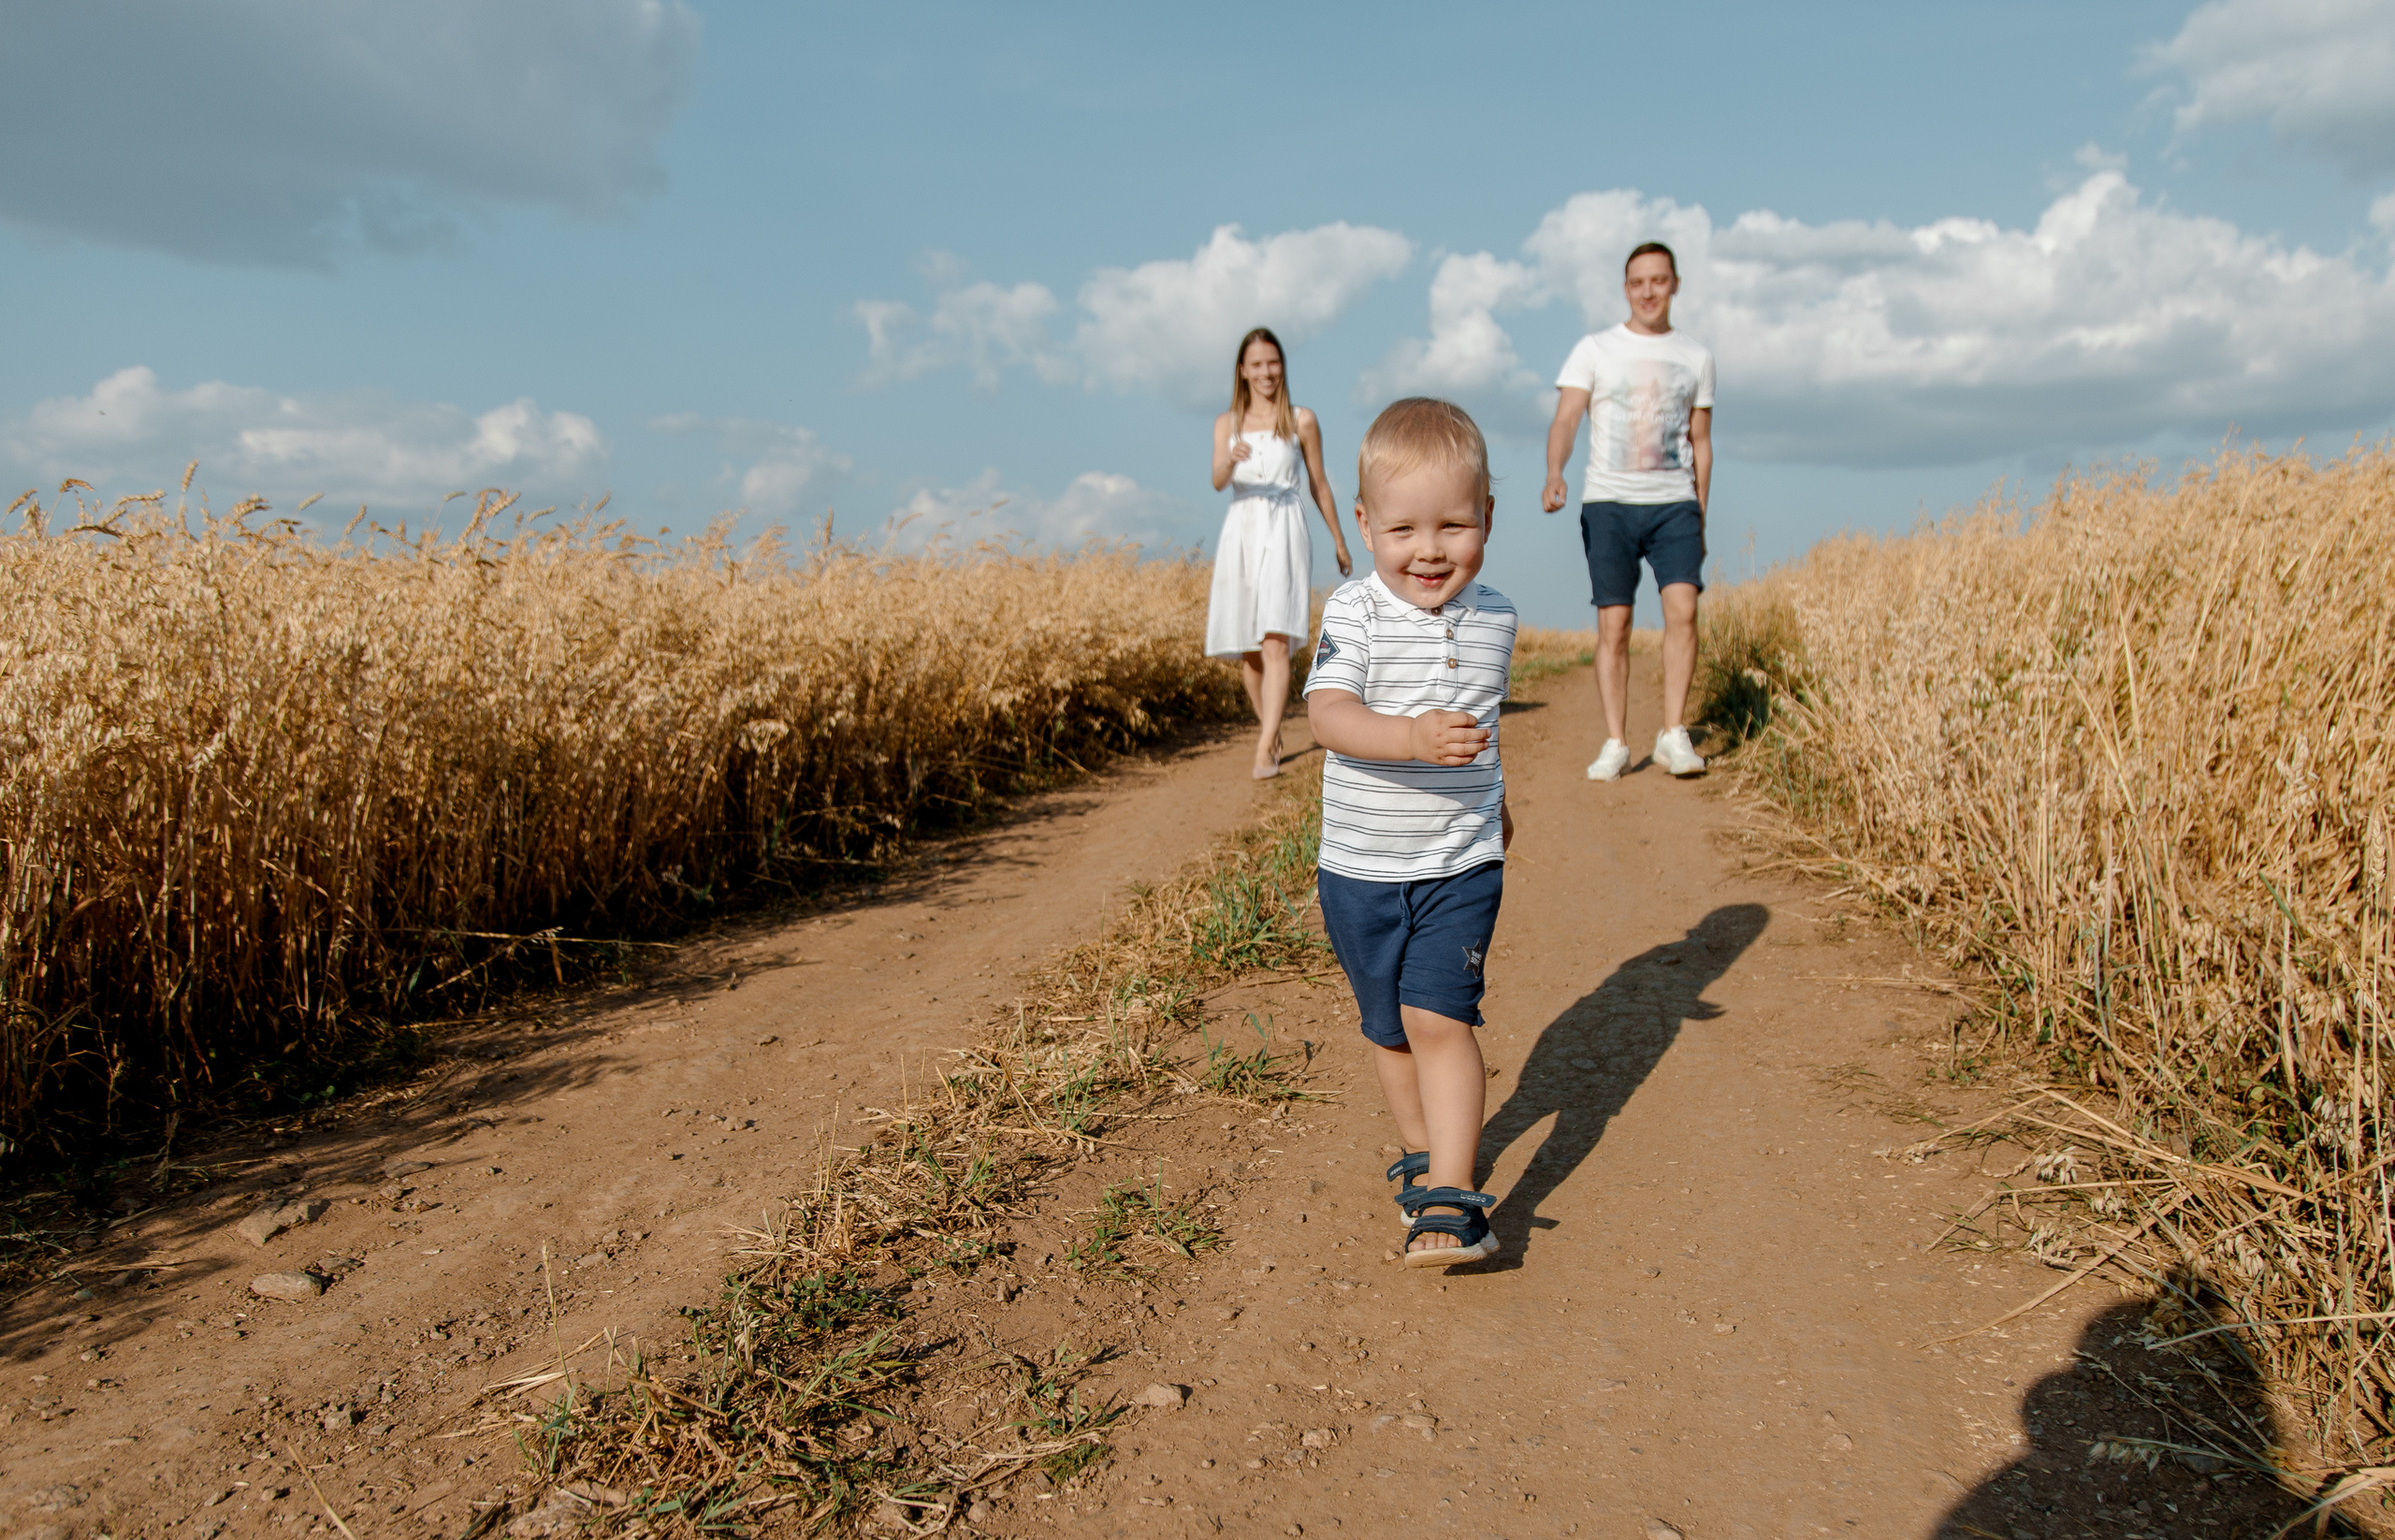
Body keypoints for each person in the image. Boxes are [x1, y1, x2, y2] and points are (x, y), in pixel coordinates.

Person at [1304, 398, 1517, 1266]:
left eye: (1454, 525)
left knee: (1439, 1018)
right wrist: (1407, 740)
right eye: (1403, 529)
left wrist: (1496, 799)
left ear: (1487, 520)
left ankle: (1454, 1198)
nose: (1429, 549)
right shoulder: (1352, 612)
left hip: (1460, 861)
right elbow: (1327, 714)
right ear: (1364, 524)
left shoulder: (1497, 618)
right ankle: (1425, 1152)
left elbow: (1484, 725)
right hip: (1359, 866)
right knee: (1388, 1026)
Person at [1540, 240, 1715, 781]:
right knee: (1614, 626)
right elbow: (1567, 418)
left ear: (1675, 285)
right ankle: (1616, 740)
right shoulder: (1594, 349)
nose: (1648, 291)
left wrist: (1699, 510)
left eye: (1658, 280)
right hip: (1609, 502)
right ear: (1625, 288)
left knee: (1683, 612)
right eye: (1638, 282)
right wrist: (1555, 472)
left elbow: (1701, 440)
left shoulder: (1696, 357)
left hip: (1674, 503)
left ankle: (1673, 733)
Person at [1208, 327, 1353, 779]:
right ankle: (1269, 726)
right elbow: (1216, 480)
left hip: (1286, 526)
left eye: (1273, 362)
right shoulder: (1226, 423)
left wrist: (1339, 538)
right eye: (1257, 364)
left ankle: (1265, 746)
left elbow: (1319, 482)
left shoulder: (1301, 419)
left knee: (1275, 639)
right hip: (1242, 527)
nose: (1266, 371)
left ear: (1281, 365)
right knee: (1249, 653)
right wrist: (1231, 458)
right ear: (1243, 370)